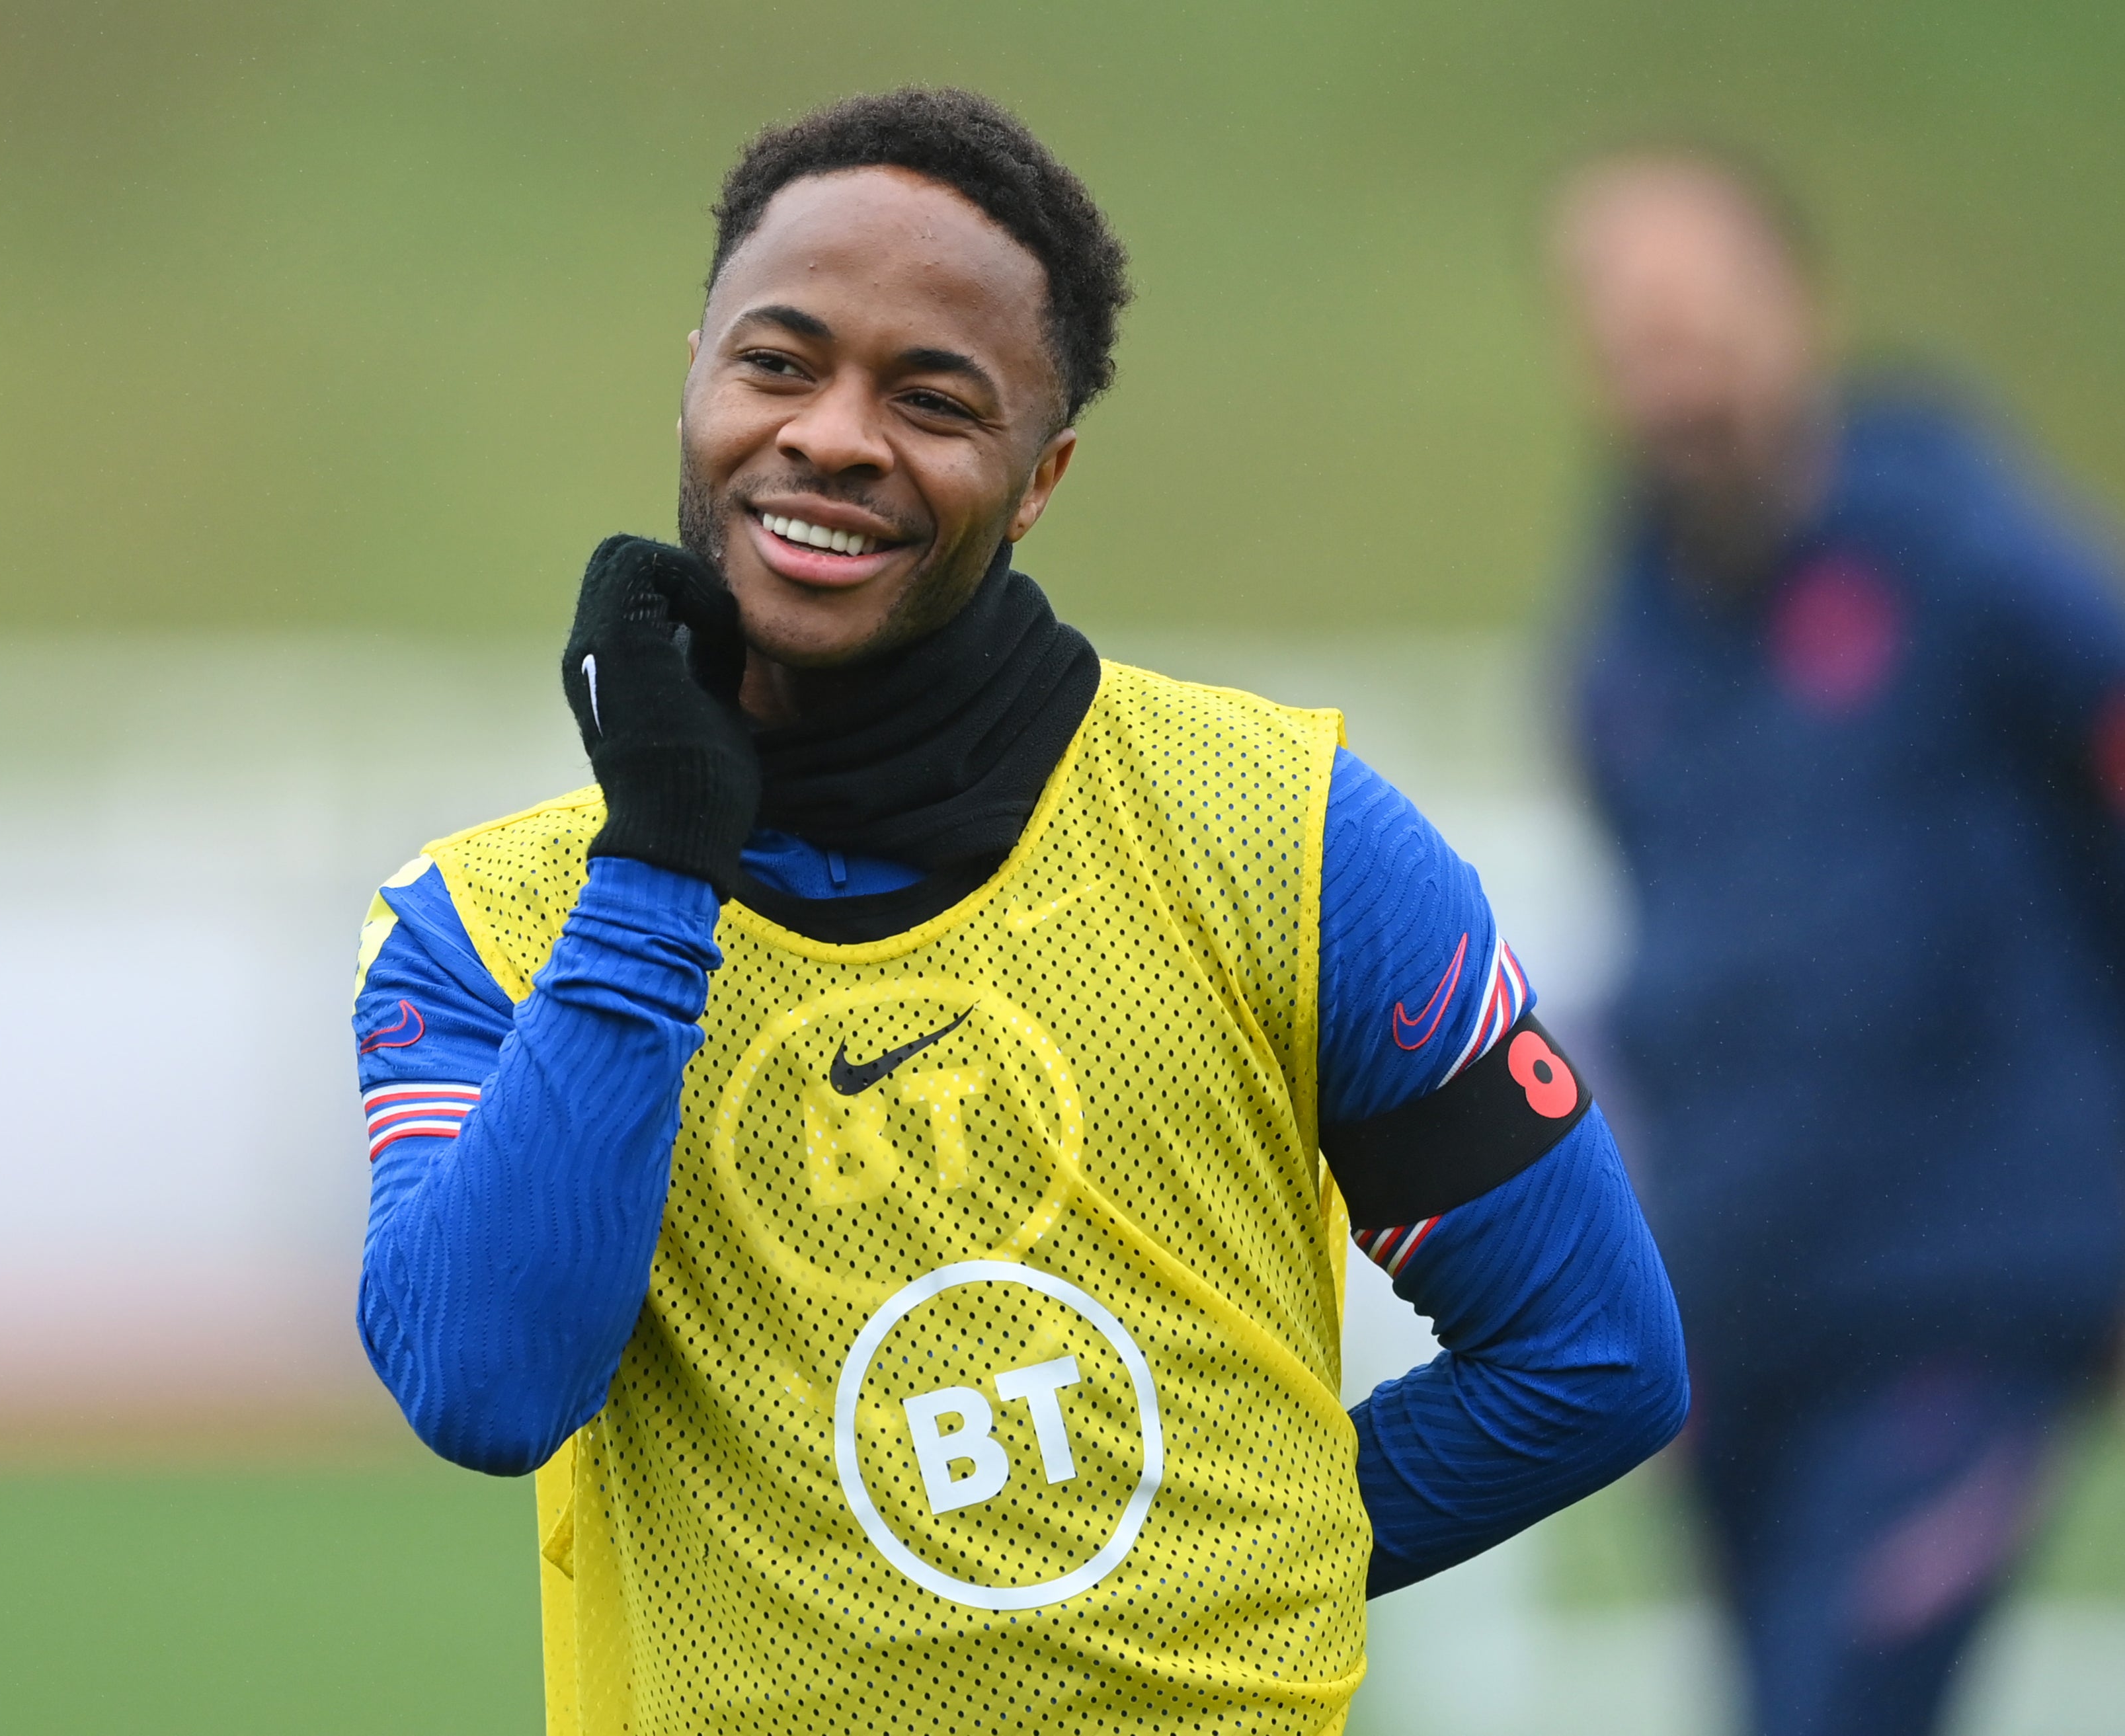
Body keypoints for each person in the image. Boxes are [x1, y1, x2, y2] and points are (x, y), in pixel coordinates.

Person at [352, 89, 1687, 1736]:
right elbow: (487, 1384)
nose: (833, 435)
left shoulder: (1288, 835)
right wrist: (662, 858)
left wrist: (1175, 1586)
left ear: (1040, 474)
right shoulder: (483, 925)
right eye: (777, 363)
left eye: (931, 398)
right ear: (693, 373)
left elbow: (1592, 1358)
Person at [1555, 147, 2125, 1736]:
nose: (1674, 369)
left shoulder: (1956, 555)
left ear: (1797, 305)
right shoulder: (1623, 645)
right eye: (1629, 333)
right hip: (1742, 1305)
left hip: (1964, 1285)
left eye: (1700, 317)